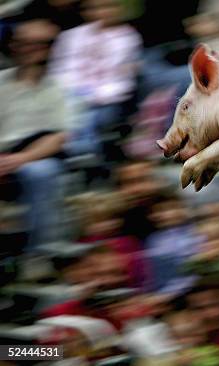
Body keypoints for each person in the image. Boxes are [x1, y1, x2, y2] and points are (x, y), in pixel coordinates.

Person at [0, 18, 71, 248]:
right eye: (24, 43)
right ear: (13, 45)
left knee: (42, 173)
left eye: (40, 44)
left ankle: (40, 252)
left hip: (34, 157)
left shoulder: (60, 88)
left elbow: (59, 137)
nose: (32, 49)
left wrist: (19, 159)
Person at [49, 0, 141, 154]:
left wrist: (93, 96)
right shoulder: (69, 36)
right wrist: (75, 92)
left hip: (108, 97)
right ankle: (76, 149)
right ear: (84, 11)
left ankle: (85, 151)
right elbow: (60, 69)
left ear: (119, 9)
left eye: (108, 6)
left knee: (97, 117)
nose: (102, 12)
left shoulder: (129, 37)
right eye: (95, 8)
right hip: (71, 94)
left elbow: (122, 76)